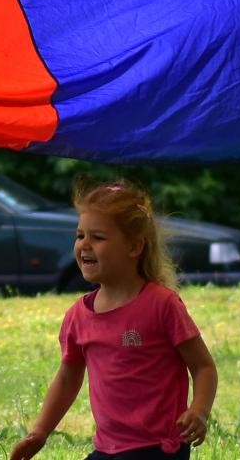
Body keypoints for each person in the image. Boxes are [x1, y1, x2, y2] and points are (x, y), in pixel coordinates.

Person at [12, 181, 219, 460]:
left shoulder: (161, 305)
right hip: (107, 449)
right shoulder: (78, 316)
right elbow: (67, 377)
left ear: (134, 247)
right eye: (80, 235)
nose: (84, 244)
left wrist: (199, 411)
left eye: (98, 237)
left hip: (158, 449)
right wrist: (40, 432)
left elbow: (202, 365)